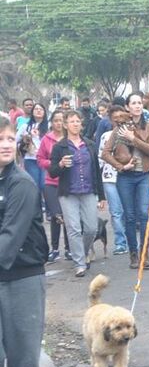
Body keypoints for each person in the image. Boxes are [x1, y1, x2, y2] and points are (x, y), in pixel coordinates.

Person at [0, 115, 49, 367]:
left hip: (23, 277)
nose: (5, 144)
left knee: (23, 353)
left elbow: (9, 239)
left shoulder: (22, 184)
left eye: (8, 138)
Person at [101, 92, 149, 270]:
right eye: (133, 103)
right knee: (130, 216)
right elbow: (105, 153)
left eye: (139, 103)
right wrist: (120, 166)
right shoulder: (118, 129)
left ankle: (144, 254)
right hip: (125, 177)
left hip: (144, 175)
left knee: (143, 214)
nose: (137, 106)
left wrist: (133, 138)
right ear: (127, 107)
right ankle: (133, 253)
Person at [48, 110, 106, 277]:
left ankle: (83, 251)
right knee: (73, 228)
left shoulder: (89, 144)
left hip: (88, 190)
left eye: (77, 121)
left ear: (81, 124)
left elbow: (96, 170)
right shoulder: (59, 147)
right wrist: (60, 164)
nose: (75, 124)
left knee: (91, 228)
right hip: (68, 193)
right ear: (65, 125)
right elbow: (52, 172)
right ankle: (79, 263)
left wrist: (102, 196)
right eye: (71, 121)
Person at [37, 109, 70, 262]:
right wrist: (54, 164)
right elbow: (40, 159)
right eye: (56, 120)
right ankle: (55, 249)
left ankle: (69, 249)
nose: (58, 123)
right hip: (51, 182)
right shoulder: (46, 139)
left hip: (67, 182)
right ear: (52, 122)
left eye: (61, 120)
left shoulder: (70, 138)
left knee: (68, 217)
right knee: (56, 215)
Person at [98, 106, 129, 255]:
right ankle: (120, 243)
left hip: (128, 177)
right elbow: (101, 158)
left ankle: (132, 242)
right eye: (115, 117)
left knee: (128, 211)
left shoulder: (131, 134)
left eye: (121, 116)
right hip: (110, 178)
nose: (118, 120)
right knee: (116, 212)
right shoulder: (105, 136)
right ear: (110, 120)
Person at [16, 103, 48, 202]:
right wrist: (27, 136)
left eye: (41, 109)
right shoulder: (26, 126)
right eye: (36, 109)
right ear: (33, 112)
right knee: (35, 185)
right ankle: (36, 210)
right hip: (31, 159)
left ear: (44, 112)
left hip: (45, 159)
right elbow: (16, 140)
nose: (38, 111)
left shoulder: (49, 126)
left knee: (45, 184)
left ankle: (50, 211)